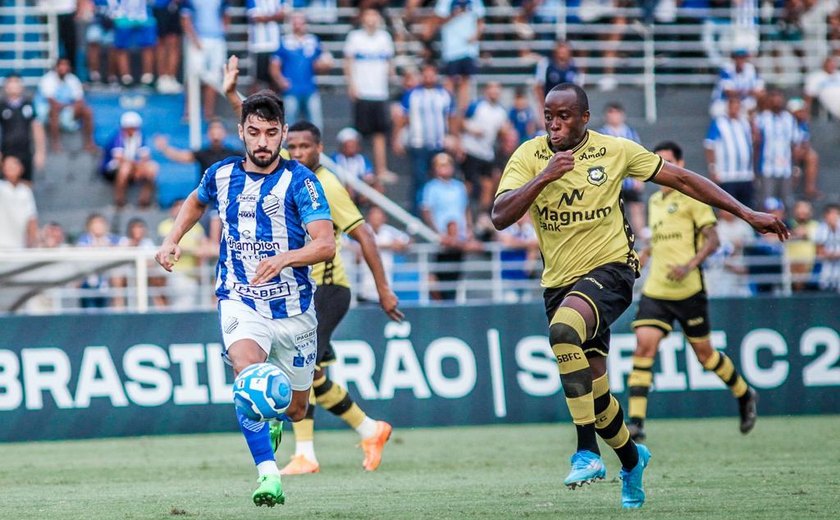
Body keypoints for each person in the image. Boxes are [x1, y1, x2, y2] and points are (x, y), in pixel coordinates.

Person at [491, 83, 786, 508]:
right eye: (549, 115)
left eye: (564, 116)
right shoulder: (529, 156)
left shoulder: (616, 150)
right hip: (559, 281)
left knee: (562, 332)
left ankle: (587, 451)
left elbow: (682, 177)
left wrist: (746, 212)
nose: (554, 124)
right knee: (597, 393)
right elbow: (501, 216)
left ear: (585, 118)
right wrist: (544, 177)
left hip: (612, 270)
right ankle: (632, 460)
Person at [154, 90, 336, 507]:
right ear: (241, 132)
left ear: (283, 134)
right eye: (254, 132)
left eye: (271, 133)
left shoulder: (302, 182)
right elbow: (196, 203)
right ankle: (268, 476)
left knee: (293, 410)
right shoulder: (220, 174)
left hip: (294, 310)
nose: (262, 142)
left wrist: (285, 258)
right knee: (246, 372)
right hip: (240, 298)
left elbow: (325, 244)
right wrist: (171, 239)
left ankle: (270, 417)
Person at [275, 120, 403, 475]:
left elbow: (366, 237)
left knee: (300, 368)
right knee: (314, 377)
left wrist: (383, 289)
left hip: (329, 291)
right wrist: (233, 96)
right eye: (293, 147)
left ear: (320, 149)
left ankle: (305, 455)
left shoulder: (328, 185)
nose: (298, 153)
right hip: (301, 294)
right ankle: (370, 429)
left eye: (305, 148)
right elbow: (261, 131)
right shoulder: (289, 168)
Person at [625, 141, 758, 443]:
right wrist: (639, 260)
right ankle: (636, 423)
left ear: (680, 164)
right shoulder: (655, 201)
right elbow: (657, 242)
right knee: (643, 347)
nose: (662, 168)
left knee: (706, 356)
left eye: (667, 161)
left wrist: (690, 265)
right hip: (656, 289)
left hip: (688, 291)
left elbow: (712, 240)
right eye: (657, 162)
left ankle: (744, 393)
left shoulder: (694, 199)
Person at [392, 61, 455, 211]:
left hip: (439, 143)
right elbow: (402, 118)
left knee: (440, 180)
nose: (428, 77)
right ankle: (416, 215)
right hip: (418, 144)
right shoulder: (412, 94)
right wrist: (397, 138)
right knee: (419, 181)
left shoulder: (444, 94)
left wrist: (454, 137)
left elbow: (450, 118)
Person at [343, 8, 395, 184]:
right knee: (360, 134)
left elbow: (389, 63)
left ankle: (381, 169)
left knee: (380, 134)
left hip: (380, 93)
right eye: (368, 15)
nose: (371, 19)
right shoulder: (355, 37)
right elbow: (348, 62)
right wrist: (352, 85)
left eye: (374, 15)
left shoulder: (384, 38)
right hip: (362, 92)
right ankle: (359, 170)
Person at [271, 11, 332, 129]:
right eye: (295, 22)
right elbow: (274, 65)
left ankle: (316, 146)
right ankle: (287, 147)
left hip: (310, 88)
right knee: (289, 124)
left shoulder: (313, 41)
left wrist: (324, 64)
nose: (298, 25)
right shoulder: (284, 41)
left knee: (316, 124)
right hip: (291, 89)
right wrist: (280, 80)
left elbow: (325, 60)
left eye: (301, 22)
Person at [597, 102, 645, 241]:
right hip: (611, 180)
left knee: (636, 207)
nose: (614, 116)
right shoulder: (601, 134)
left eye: (616, 113)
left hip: (629, 179)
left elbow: (639, 156)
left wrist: (640, 178)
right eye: (611, 113)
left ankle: (641, 238)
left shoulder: (631, 133)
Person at [180, 0, 231, 119]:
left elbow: (226, 14)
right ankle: (189, 112)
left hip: (217, 40)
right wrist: (194, 39)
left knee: (214, 77)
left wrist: (223, 31)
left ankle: (209, 113)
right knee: (193, 76)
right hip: (197, 40)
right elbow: (185, 18)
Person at [432, 0, 485, 113]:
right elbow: (438, 21)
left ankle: (461, 114)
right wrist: (454, 14)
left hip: (469, 49)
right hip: (451, 49)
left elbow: (481, 21)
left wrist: (475, 36)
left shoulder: (475, 1)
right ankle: (448, 112)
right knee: (450, 81)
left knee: (465, 82)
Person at [154, 118, 242, 185]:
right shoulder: (203, 153)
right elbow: (182, 156)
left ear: (224, 133)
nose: (215, 133)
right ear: (208, 133)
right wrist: (165, 148)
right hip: (207, 194)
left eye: (219, 129)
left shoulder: (233, 154)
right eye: (212, 130)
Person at [704, 95, 755, 208]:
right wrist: (713, 168)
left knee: (748, 208)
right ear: (728, 107)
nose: (735, 109)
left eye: (738, 106)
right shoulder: (719, 122)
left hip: (745, 174)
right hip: (727, 175)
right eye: (733, 106)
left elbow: (752, 144)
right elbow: (709, 145)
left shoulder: (744, 123)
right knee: (728, 209)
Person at [100, 111, 159, 208]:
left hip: (133, 166)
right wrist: (136, 167)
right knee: (125, 168)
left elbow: (145, 156)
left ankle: (144, 201)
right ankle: (120, 201)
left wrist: (139, 168)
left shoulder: (140, 136)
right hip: (112, 168)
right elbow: (119, 159)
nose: (133, 131)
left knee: (152, 167)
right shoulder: (117, 137)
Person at [754, 88, 801, 210]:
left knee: (787, 201)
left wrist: (796, 167)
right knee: (766, 201)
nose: (776, 102)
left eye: (779, 99)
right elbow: (756, 144)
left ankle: (787, 228)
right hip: (767, 167)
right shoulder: (761, 118)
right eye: (773, 99)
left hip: (785, 167)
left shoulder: (789, 119)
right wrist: (755, 168)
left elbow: (794, 144)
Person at [37, 58, 96, 152]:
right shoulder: (47, 79)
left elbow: (80, 99)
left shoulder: (73, 79)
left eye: (66, 65)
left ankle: (89, 143)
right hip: (47, 111)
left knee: (87, 111)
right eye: (61, 65)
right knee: (54, 111)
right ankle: (55, 144)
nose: (63, 68)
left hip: (66, 109)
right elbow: (51, 101)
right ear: (56, 67)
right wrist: (69, 106)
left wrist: (73, 107)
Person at [0, 74, 46, 183]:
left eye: (17, 82)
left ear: (22, 86)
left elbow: (37, 128)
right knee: (6, 186)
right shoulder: (2, 106)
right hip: (7, 151)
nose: (14, 86)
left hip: (25, 151)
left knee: (26, 184)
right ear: (6, 87)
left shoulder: (29, 105)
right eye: (11, 82)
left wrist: (40, 152)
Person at [111, 0, 158, 87]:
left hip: (145, 15)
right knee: (121, 47)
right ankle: (125, 77)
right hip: (123, 15)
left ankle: (147, 76)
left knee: (148, 46)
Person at [0, 156, 38, 249]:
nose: (12, 168)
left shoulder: (25, 191)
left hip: (19, 246)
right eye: (8, 165)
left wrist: (33, 242)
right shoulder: (2, 187)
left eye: (15, 164)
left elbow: (31, 219)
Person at [152, 0, 185, 94]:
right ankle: (162, 78)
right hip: (160, 7)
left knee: (174, 43)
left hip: (175, 7)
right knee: (161, 44)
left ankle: (171, 77)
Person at [815, 204, 840, 292]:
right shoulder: (821, 229)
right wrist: (835, 255)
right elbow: (819, 251)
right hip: (826, 267)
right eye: (831, 214)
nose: (834, 217)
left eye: (836, 214)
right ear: (826, 215)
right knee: (825, 286)